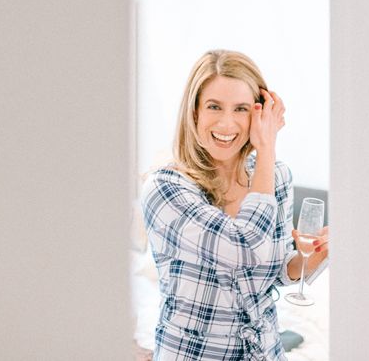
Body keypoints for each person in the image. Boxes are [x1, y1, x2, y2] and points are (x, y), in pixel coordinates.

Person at [141, 49, 329, 360]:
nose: (227, 123)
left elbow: (276, 270)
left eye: (241, 109)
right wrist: (266, 147)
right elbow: (245, 248)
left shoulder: (276, 177)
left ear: (259, 114)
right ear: (195, 112)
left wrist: (316, 257)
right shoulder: (166, 188)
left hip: (265, 352)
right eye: (214, 106)